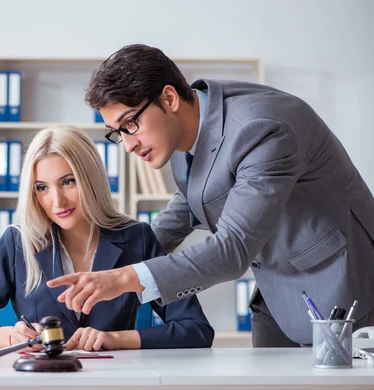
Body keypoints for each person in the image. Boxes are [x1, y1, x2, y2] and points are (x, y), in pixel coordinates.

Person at [47, 44, 374, 348]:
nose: (128, 145)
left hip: (339, 286)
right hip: (278, 289)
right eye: (117, 133)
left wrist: (125, 278)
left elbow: (233, 249)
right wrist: (113, 257)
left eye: (130, 124)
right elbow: (192, 198)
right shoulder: (183, 124)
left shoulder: (262, 129)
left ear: (170, 98)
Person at [0, 125, 214, 351]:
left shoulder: (137, 238)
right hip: (37, 384)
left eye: (68, 182)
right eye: (42, 188)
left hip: (110, 383)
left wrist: (114, 338)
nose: (57, 201)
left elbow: (195, 329)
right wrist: (5, 335)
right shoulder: (18, 243)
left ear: (90, 179)